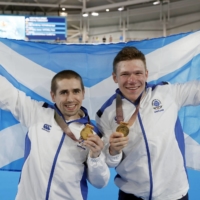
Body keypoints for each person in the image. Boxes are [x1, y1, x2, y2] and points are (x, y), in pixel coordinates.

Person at [95, 46, 198, 200]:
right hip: (131, 196)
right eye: (125, 74)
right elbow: (110, 162)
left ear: (146, 74)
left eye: (138, 73)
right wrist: (113, 151)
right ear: (115, 77)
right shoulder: (106, 114)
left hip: (175, 194)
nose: (132, 80)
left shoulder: (167, 94)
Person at [0, 70, 110, 200]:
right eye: (63, 92)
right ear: (53, 96)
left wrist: (95, 157)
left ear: (83, 93)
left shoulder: (94, 135)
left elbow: (100, 183)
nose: (70, 99)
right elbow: (7, 94)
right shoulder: (37, 113)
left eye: (76, 91)